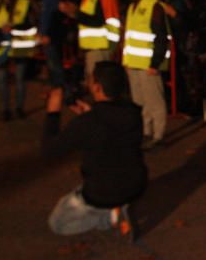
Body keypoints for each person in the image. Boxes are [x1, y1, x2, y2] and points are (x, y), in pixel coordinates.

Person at [42, 61, 146, 240]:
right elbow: (109, 128)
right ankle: (121, 206)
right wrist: (90, 113)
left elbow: (49, 150)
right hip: (136, 184)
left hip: (103, 192)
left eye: (90, 80)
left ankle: (110, 216)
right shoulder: (133, 112)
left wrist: (53, 112)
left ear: (97, 87)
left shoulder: (89, 123)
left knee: (57, 223)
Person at [120, 0, 170, 150]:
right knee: (141, 103)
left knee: (154, 102)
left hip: (149, 64)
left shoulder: (154, 5)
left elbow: (161, 38)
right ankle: (146, 133)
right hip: (134, 63)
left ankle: (158, 137)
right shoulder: (133, 5)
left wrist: (155, 63)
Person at [61, 0, 121, 88]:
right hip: (96, 45)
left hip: (100, 45)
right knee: (97, 83)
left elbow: (98, 21)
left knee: (98, 84)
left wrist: (75, 13)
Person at [0, 0, 38, 120]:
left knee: (19, 79)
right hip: (2, 48)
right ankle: (5, 109)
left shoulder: (24, 3)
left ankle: (19, 108)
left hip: (19, 47)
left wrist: (14, 28)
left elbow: (32, 25)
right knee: (2, 79)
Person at [37, 0, 69, 107]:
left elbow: (53, 17)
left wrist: (47, 34)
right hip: (50, 35)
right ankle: (58, 90)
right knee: (53, 64)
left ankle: (61, 92)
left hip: (51, 36)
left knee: (55, 65)